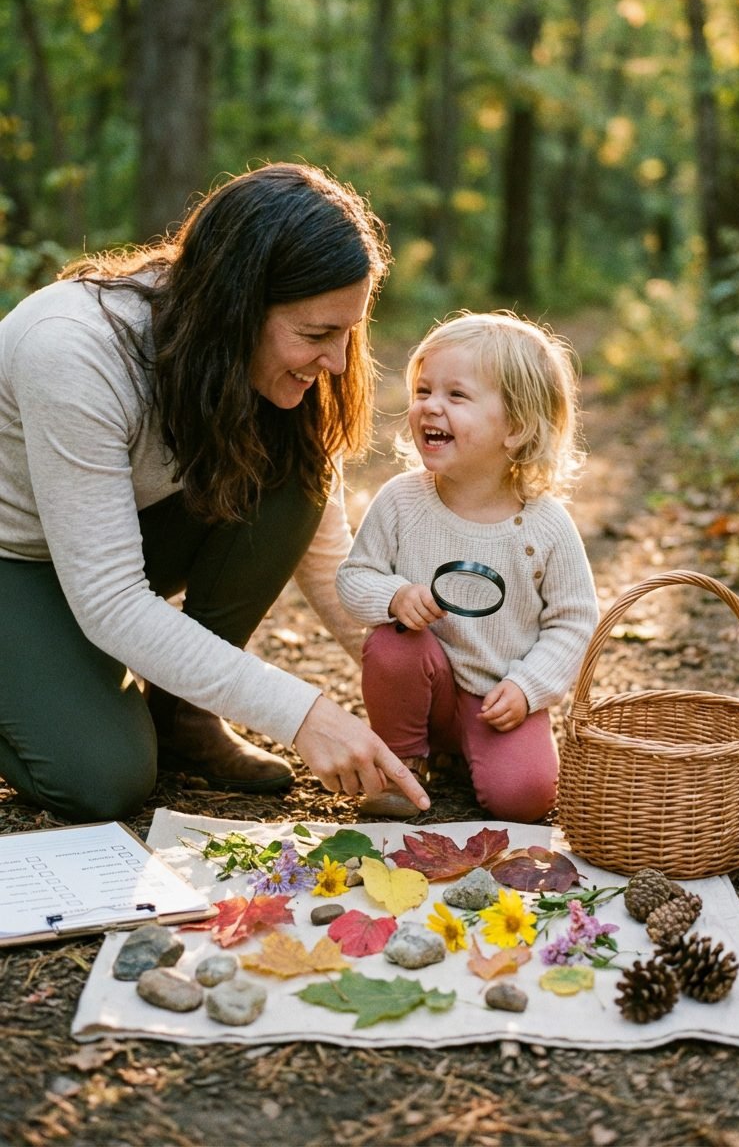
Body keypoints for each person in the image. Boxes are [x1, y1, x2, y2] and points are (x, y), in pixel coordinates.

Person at [0, 162, 430, 822]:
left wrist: (423, 694)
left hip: (108, 545)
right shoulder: (72, 351)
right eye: (316, 335)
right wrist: (306, 716)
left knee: (295, 477)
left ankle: (182, 719)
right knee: (102, 777)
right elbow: (110, 602)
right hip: (16, 561)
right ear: (235, 308)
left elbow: (324, 556)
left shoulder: (255, 366)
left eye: (348, 332)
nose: (339, 362)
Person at [336, 309, 599, 822]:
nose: (431, 407)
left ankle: (472, 755)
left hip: (500, 699)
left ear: (517, 427)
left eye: (456, 396)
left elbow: (573, 621)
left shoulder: (545, 524)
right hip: (423, 691)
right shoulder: (400, 501)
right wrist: (392, 595)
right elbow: (354, 578)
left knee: (526, 800)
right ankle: (403, 760)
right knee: (391, 644)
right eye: (423, 391)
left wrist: (529, 688)